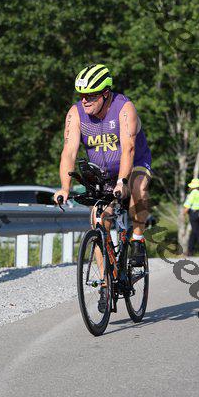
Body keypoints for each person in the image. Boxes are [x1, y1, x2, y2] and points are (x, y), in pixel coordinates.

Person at [54, 63, 152, 272]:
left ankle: (137, 239)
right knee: (98, 220)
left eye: (90, 96)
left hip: (134, 164)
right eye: (81, 95)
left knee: (139, 187)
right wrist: (64, 187)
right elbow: (69, 152)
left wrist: (122, 182)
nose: (84, 100)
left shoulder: (124, 109)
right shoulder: (76, 114)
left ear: (105, 94)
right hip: (102, 172)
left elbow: (128, 149)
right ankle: (106, 282)